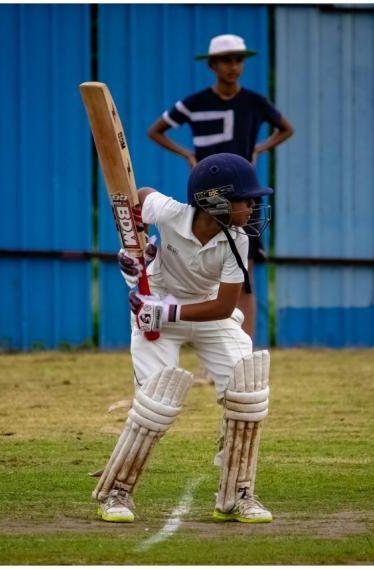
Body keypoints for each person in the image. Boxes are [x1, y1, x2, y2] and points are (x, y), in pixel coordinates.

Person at [92, 153, 274, 524]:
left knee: (247, 389)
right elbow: (140, 195)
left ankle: (238, 495)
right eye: (247, 199)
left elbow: (224, 307)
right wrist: (137, 246)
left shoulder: (237, 238)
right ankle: (117, 493)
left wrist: (168, 312)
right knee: (155, 403)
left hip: (203, 312)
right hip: (156, 305)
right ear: (216, 201)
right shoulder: (173, 212)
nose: (253, 206)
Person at [148, 33, 293, 342]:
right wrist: (187, 154)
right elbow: (155, 131)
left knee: (244, 279)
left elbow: (287, 128)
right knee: (205, 277)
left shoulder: (254, 102)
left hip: (243, 200)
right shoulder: (194, 103)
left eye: (238, 59)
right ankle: (209, 356)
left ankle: (244, 351)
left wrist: (259, 149)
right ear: (212, 65)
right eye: (226, 60)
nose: (233, 66)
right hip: (209, 198)